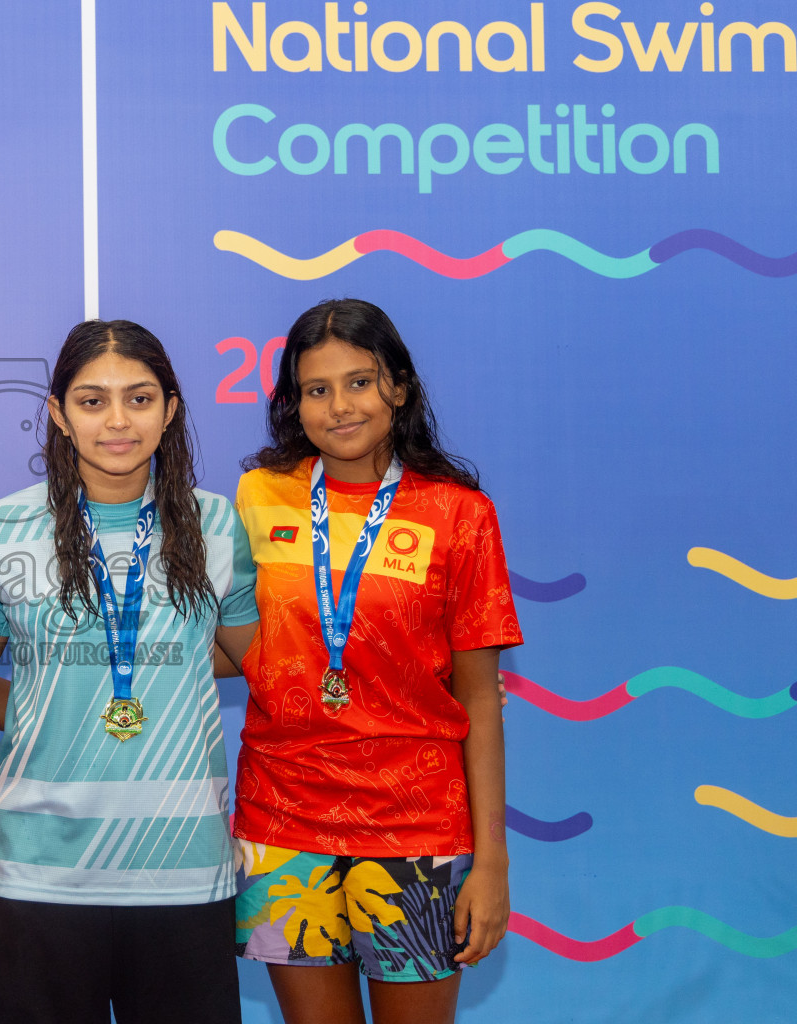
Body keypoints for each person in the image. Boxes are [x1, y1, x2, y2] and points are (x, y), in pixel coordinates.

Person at [0, 319, 258, 1024]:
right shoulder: (1, 530)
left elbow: (266, 662)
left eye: (140, 398)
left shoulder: (217, 526)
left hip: (185, 870)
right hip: (40, 875)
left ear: (172, 408)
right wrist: (49, 701)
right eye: (92, 401)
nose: (118, 421)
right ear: (59, 414)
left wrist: (419, 682)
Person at [231, 298, 521, 1024]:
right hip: (281, 824)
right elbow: (236, 645)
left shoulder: (460, 514)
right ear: (293, 405)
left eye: (360, 382)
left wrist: (493, 863)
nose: (339, 407)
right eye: (316, 390)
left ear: (400, 386)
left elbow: (480, 701)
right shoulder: (260, 496)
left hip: (415, 824)